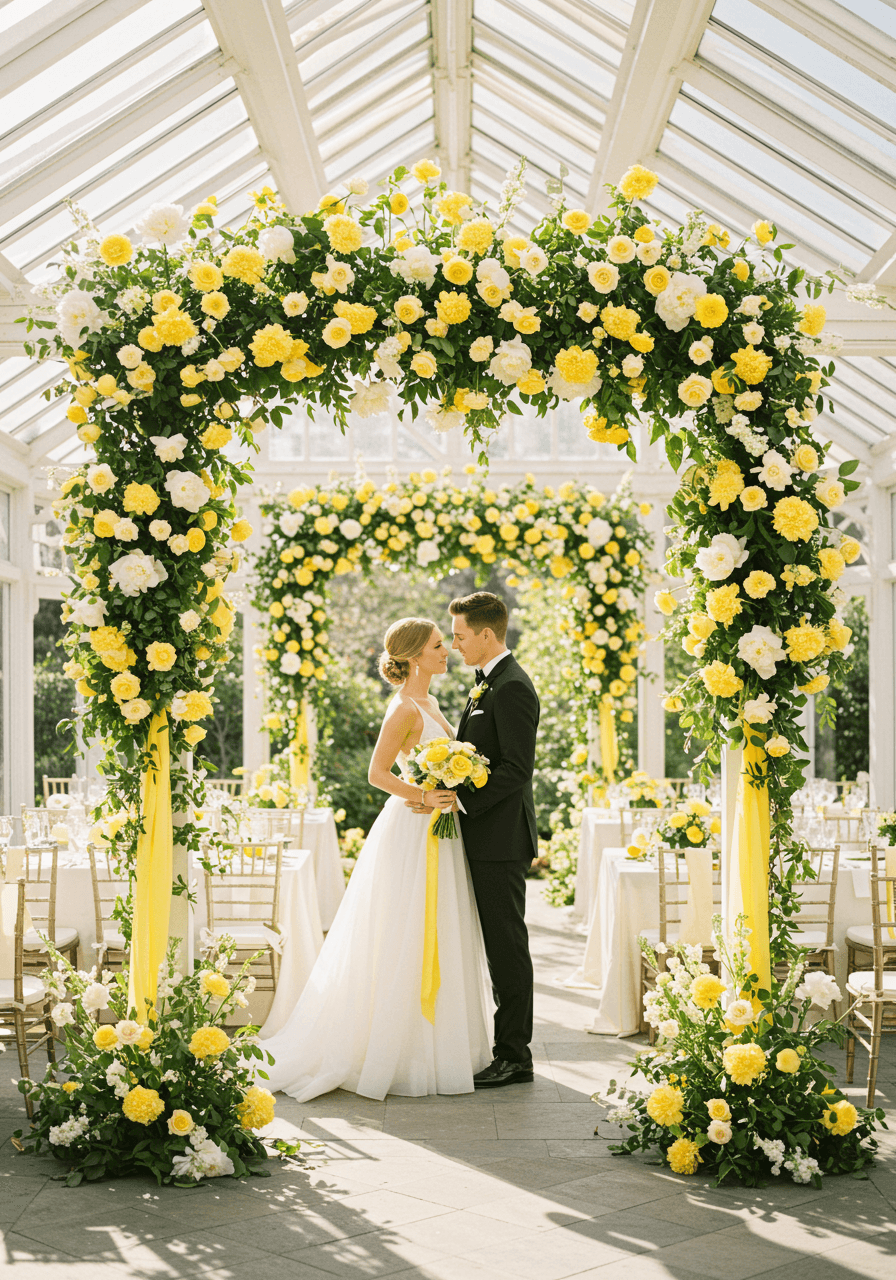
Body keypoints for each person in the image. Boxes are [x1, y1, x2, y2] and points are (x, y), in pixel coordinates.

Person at [260, 617, 493, 1101]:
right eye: (437, 645)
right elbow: (377, 773)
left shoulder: (429, 701)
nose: (447, 649)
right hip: (412, 829)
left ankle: (432, 1046)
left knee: (438, 926)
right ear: (412, 657)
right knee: (402, 929)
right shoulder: (404, 708)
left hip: (439, 831)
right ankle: (398, 1051)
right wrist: (424, 796)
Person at [422, 591, 539, 1088]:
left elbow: (515, 770)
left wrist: (460, 796)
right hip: (483, 836)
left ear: (487, 635)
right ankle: (504, 1048)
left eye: (461, 635)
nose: (455, 644)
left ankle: (515, 1054)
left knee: (507, 947)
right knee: (496, 945)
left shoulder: (511, 687)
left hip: (500, 839)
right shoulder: (486, 684)